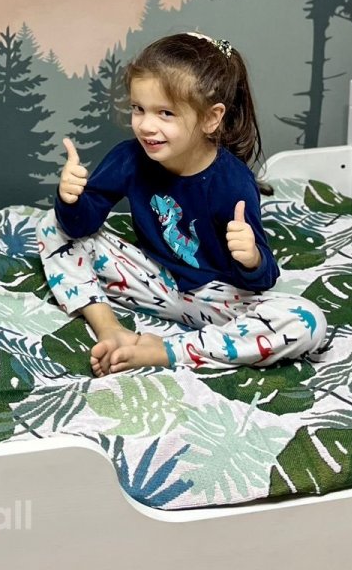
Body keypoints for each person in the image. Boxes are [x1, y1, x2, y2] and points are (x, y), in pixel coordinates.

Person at [36, 32, 328, 375]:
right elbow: (78, 227)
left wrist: (251, 258)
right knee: (51, 225)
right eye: (138, 109)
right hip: (152, 281)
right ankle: (109, 328)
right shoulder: (128, 158)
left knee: (307, 321)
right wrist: (70, 200)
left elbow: (262, 280)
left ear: (210, 118)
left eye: (165, 113)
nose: (146, 125)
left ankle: (165, 351)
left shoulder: (232, 183)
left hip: (216, 296)